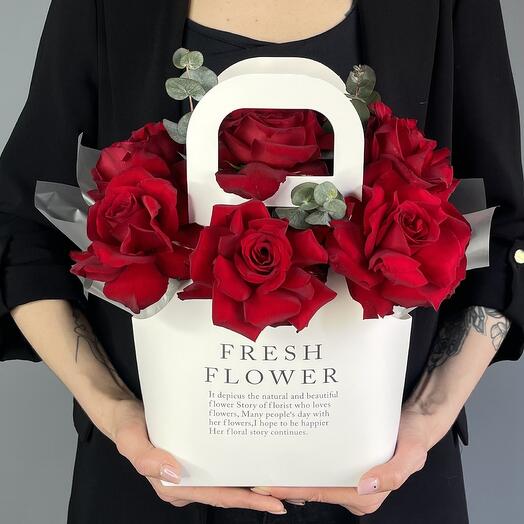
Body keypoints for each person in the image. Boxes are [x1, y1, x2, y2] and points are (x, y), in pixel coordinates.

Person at [1, 0, 523, 523]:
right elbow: (23, 231)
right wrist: (115, 413)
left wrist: (428, 416)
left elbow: (504, 232)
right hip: (151, 475)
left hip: (389, 475)